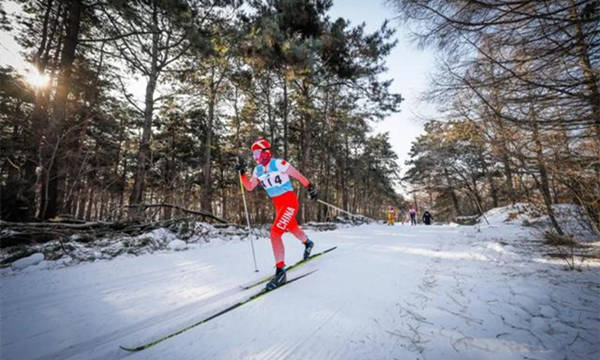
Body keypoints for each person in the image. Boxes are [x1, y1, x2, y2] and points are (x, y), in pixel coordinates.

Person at [235, 137, 318, 291]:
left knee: (275, 234)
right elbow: (249, 187)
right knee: (292, 227)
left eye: (257, 153)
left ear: (266, 152)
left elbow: (297, 175)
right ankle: (308, 243)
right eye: (253, 154)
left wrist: (310, 187)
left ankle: (280, 272)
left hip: (289, 202)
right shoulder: (258, 170)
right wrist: (242, 174)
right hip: (279, 205)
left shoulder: (278, 163)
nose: (255, 157)